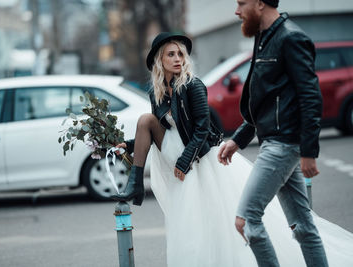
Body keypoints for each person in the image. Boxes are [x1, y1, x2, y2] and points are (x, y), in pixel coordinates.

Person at [112, 31, 353, 266]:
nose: (177, 59)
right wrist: (131, 146)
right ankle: (135, 185)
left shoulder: (193, 85)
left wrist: (186, 160)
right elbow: (159, 126)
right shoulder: (157, 91)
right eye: (171, 55)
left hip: (199, 155)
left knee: (214, 220)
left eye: (181, 54)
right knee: (145, 120)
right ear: (159, 61)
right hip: (174, 151)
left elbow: (203, 129)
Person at [218, 0, 350, 266]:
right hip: (273, 140)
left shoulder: (291, 38)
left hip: (283, 144)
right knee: (303, 225)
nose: (237, 11)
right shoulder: (264, 37)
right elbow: (265, 100)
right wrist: (239, 139)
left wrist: (309, 152)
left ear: (259, 3)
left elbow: (310, 97)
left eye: (241, 3)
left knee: (246, 221)